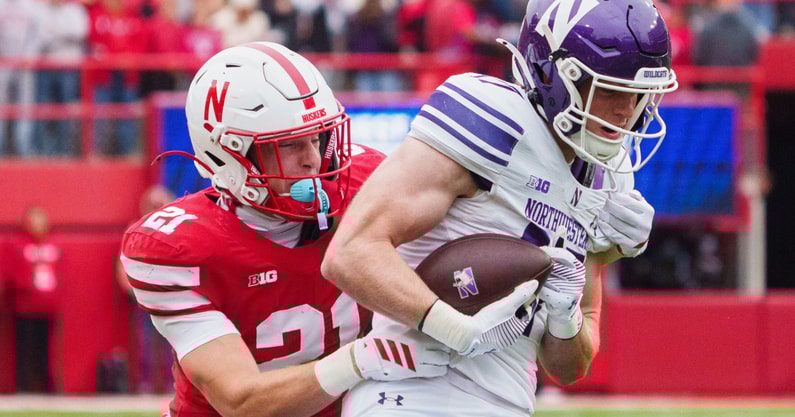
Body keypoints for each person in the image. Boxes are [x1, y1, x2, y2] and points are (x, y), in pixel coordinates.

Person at [321, 0, 678, 415]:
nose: (625, 111)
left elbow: (568, 367)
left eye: (637, 94)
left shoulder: (609, 172)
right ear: (552, 74)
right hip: (412, 389)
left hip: (509, 401)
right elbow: (350, 254)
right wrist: (452, 328)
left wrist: (565, 314)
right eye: (610, 89)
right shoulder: (491, 119)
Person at [120, 41, 490, 417]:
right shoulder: (177, 248)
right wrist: (362, 359)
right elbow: (241, 401)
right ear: (230, 154)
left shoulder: (363, 182)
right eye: (290, 145)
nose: (313, 159)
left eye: (317, 137)